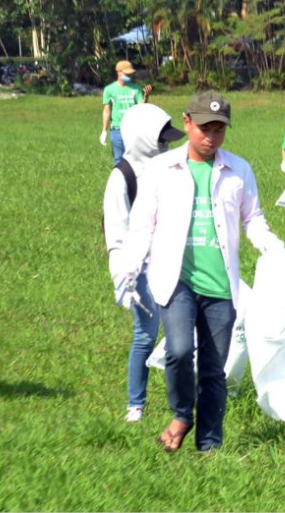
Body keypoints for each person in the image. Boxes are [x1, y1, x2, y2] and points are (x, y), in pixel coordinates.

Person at [113, 92, 285, 453]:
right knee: (178, 351)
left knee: (214, 371)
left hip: (221, 286)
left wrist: (273, 246)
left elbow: (252, 219)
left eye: (219, 130)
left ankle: (209, 446)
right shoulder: (160, 170)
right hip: (175, 280)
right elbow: (142, 226)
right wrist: (128, 269)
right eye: (204, 128)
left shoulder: (238, 170)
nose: (211, 137)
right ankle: (182, 414)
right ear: (187, 123)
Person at [102, 103, 185, 423]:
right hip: (139, 270)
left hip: (173, 262)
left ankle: (181, 402)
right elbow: (115, 231)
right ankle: (135, 404)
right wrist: (122, 275)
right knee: (146, 336)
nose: (167, 146)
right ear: (142, 139)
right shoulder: (121, 177)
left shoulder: (168, 169)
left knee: (180, 337)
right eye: (161, 140)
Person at [100, 60, 152, 166]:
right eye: (126, 74)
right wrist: (104, 131)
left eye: (130, 74)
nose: (129, 76)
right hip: (117, 129)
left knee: (134, 160)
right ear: (118, 72)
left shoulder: (136, 88)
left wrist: (146, 96)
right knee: (118, 160)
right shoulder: (109, 89)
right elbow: (107, 110)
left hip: (133, 129)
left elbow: (141, 107)